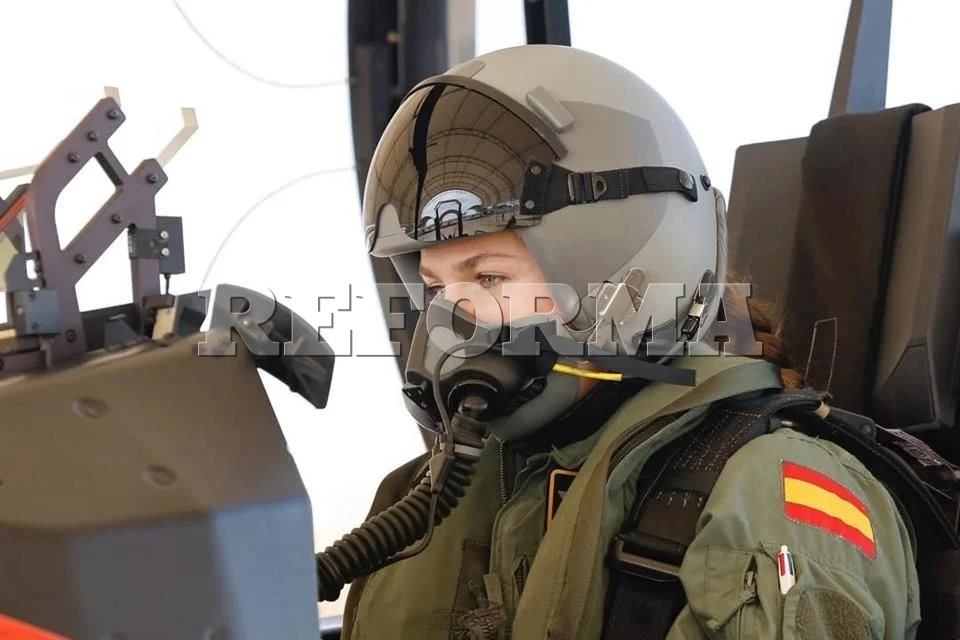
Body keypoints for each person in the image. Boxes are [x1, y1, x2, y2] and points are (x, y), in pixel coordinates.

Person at [338, 44, 920, 639]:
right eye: (434, 285)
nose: (450, 321)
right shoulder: (434, 495)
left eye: (488, 277)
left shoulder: (776, 504)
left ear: (627, 273)